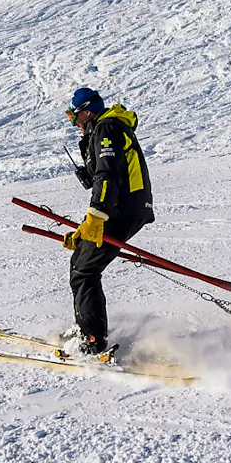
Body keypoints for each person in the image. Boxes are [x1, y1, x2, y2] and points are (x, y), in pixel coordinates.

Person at [61, 88, 154, 355]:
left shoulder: (106, 129)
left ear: (87, 111)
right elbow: (103, 176)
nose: (74, 123)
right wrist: (86, 225)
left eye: (74, 116)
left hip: (122, 209)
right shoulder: (105, 129)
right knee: (81, 261)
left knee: (84, 270)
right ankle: (86, 328)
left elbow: (108, 177)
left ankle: (91, 340)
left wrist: (96, 216)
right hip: (121, 208)